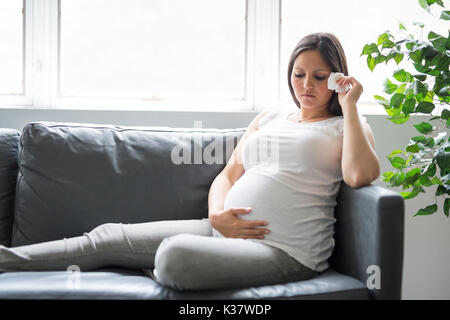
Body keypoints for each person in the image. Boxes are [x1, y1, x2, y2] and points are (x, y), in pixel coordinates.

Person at [0, 32, 380, 291]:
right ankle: (6, 261)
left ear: (337, 79)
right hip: (220, 230)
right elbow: (229, 175)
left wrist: (350, 105)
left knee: (174, 257)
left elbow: (360, 175)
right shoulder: (270, 117)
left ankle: (169, 265)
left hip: (283, 250)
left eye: (319, 77)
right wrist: (217, 216)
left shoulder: (346, 125)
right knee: (108, 235)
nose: (306, 86)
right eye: (299, 75)